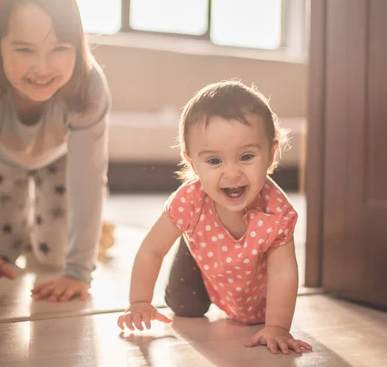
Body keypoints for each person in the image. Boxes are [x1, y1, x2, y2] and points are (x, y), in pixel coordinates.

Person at [117, 81, 313, 355]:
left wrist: (278, 327)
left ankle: (196, 237)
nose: (231, 173)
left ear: (271, 153)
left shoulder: (276, 213)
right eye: (214, 161)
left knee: (259, 318)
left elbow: (283, 271)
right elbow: (152, 249)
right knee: (186, 306)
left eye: (246, 157)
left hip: (252, 287)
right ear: (191, 162)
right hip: (204, 259)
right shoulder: (190, 199)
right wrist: (139, 301)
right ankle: (191, 241)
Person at [0, 0, 110, 303]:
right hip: (2, 158)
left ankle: (78, 230)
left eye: (59, 49)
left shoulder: (89, 85)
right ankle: (23, 230)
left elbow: (89, 179)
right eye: (24, 50)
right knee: (1, 255)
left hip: (60, 159)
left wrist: (78, 272)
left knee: (55, 257)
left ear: (78, 44)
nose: (42, 68)